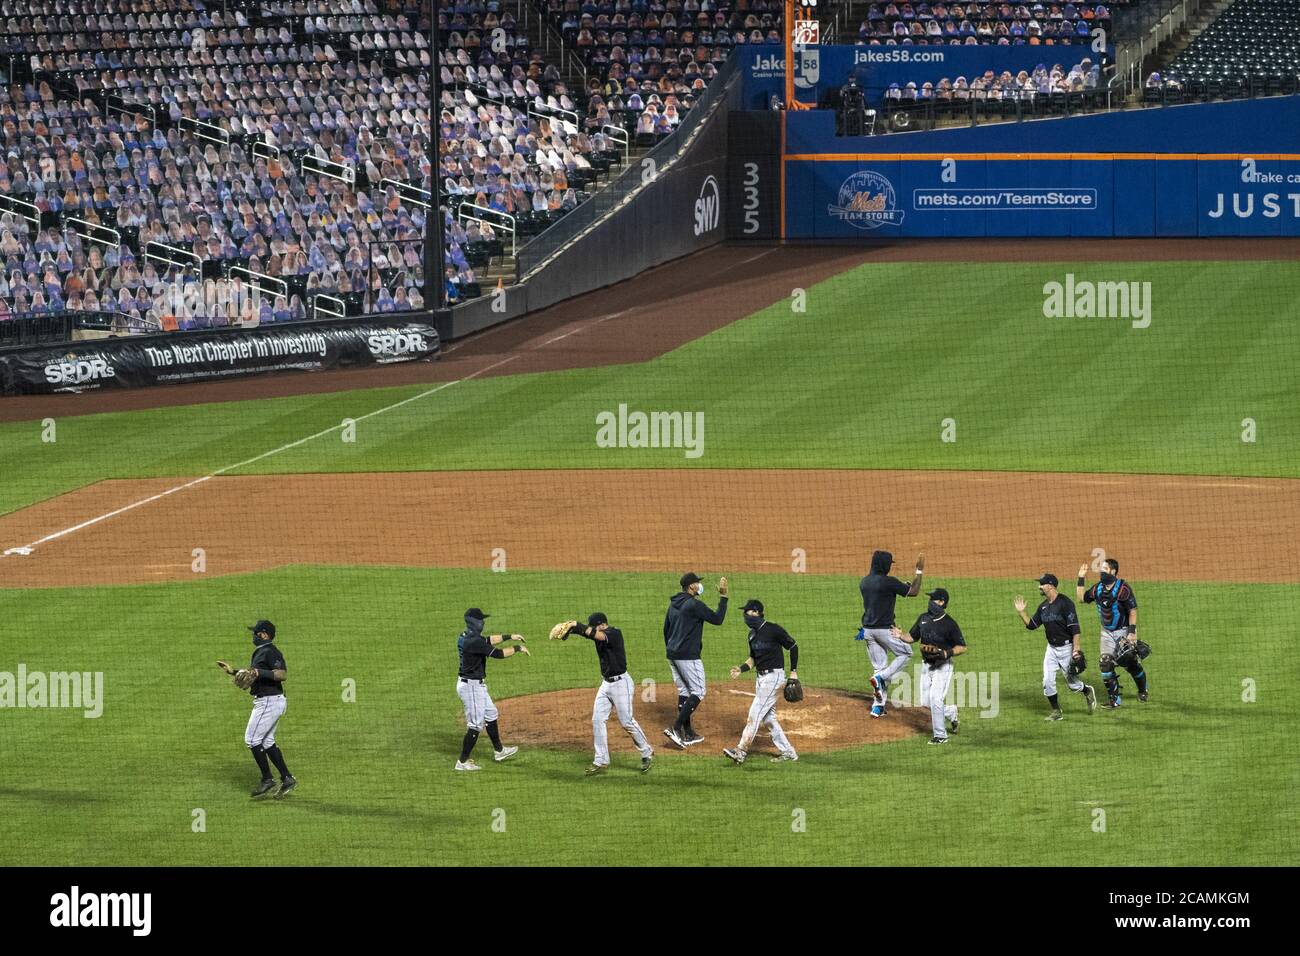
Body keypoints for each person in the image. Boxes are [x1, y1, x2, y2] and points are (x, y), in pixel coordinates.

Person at [554, 612, 655, 775]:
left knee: (627, 721)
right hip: (606, 684)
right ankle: (601, 761)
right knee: (597, 720)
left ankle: (647, 752)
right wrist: (571, 631)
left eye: (594, 626)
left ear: (602, 624)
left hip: (622, 684)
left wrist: (576, 624)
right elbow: (588, 634)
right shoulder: (598, 633)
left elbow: (596, 635)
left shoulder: (614, 634)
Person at [216, 620, 296, 799]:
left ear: (264, 635)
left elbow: (281, 674)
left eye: (256, 633)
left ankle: (267, 779)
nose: (253, 636)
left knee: (252, 739)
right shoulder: (261, 651)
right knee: (266, 741)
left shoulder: (270, 651)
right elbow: (254, 676)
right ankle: (287, 778)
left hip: (269, 701)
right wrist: (233, 671)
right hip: (270, 700)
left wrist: (260, 673)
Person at [722, 599, 799, 764]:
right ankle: (789, 752)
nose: (745, 616)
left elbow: (793, 646)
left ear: (757, 612)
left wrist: (793, 672)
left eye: (748, 612)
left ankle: (740, 751)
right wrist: (741, 669)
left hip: (774, 678)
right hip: (761, 678)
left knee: (754, 713)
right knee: (769, 719)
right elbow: (753, 659)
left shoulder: (773, 629)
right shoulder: (751, 635)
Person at [1014, 574, 1097, 720]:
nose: (1039, 586)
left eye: (1042, 584)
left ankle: (1087, 690)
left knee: (1072, 684)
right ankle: (1056, 711)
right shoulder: (1043, 606)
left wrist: (1076, 650)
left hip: (1067, 648)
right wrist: (1021, 612)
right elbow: (1032, 625)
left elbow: (1075, 629)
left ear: (1050, 586)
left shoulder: (1065, 603)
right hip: (1051, 649)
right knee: (1047, 681)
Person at [454, 607, 528, 771]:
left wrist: (510, 636)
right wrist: (517, 648)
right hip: (471, 686)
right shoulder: (474, 641)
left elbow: (488, 640)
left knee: (491, 714)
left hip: (474, 684)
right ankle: (462, 762)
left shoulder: (467, 636)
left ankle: (499, 751)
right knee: (475, 725)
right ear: (475, 622)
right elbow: (499, 654)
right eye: (481, 620)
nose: (483, 622)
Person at [662, 571, 729, 748]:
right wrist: (723, 596)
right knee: (699, 691)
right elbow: (717, 619)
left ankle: (688, 733)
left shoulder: (674, 604)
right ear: (691, 586)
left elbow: (666, 630)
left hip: (672, 654)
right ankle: (676, 728)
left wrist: (672, 649)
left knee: (685, 691)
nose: (699, 585)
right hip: (687, 656)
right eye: (697, 583)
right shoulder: (693, 604)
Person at [858, 549, 925, 717]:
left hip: (867, 631)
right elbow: (914, 591)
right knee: (906, 653)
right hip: (884, 630)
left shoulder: (864, 582)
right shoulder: (889, 582)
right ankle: (881, 679)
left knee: (878, 667)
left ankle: (877, 707)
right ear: (885, 565)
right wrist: (919, 571)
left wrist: (901, 586)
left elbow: (882, 596)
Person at [1077, 558, 1148, 707]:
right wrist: (1081, 577)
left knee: (1131, 665)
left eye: (1105, 569)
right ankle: (1114, 700)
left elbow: (1132, 611)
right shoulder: (1098, 589)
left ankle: (1143, 690)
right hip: (1106, 633)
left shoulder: (1123, 589)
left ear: (1113, 571)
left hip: (1123, 631)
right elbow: (1081, 599)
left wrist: (1132, 633)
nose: (1102, 571)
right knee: (1105, 663)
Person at [904, 588, 967, 744]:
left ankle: (941, 735)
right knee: (926, 703)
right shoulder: (923, 618)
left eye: (933, 599)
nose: (930, 602)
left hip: (943, 666)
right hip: (926, 666)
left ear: (941, 602)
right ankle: (951, 712)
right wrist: (900, 635)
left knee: (935, 698)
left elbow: (962, 646)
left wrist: (946, 654)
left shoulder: (949, 623)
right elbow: (912, 637)